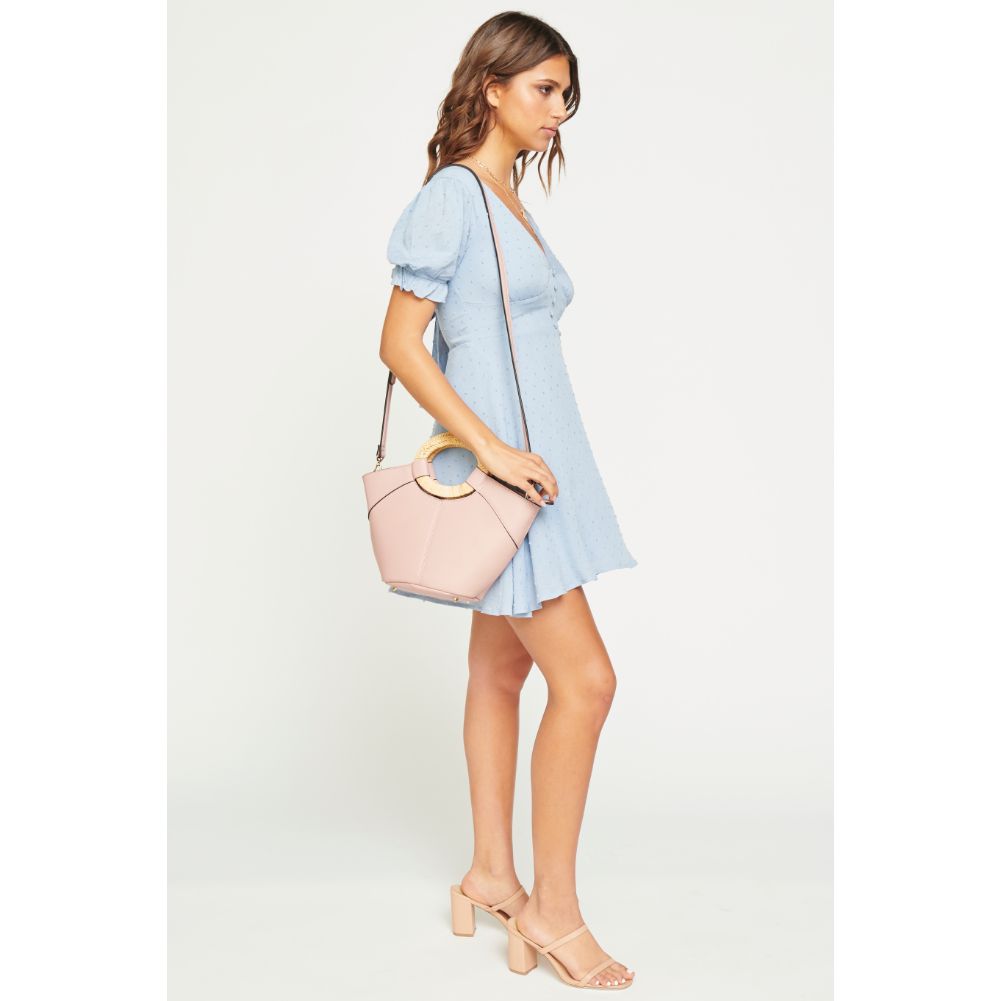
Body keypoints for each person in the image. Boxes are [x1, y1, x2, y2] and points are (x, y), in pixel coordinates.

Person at [378, 12, 637, 991]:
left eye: (566, 95)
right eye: (543, 89)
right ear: (490, 86)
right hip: (509, 478)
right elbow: (399, 342)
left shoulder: (505, 198)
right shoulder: (454, 195)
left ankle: (491, 874)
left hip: (539, 473)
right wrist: (490, 451)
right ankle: (551, 910)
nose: (559, 109)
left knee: (499, 671)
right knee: (588, 681)